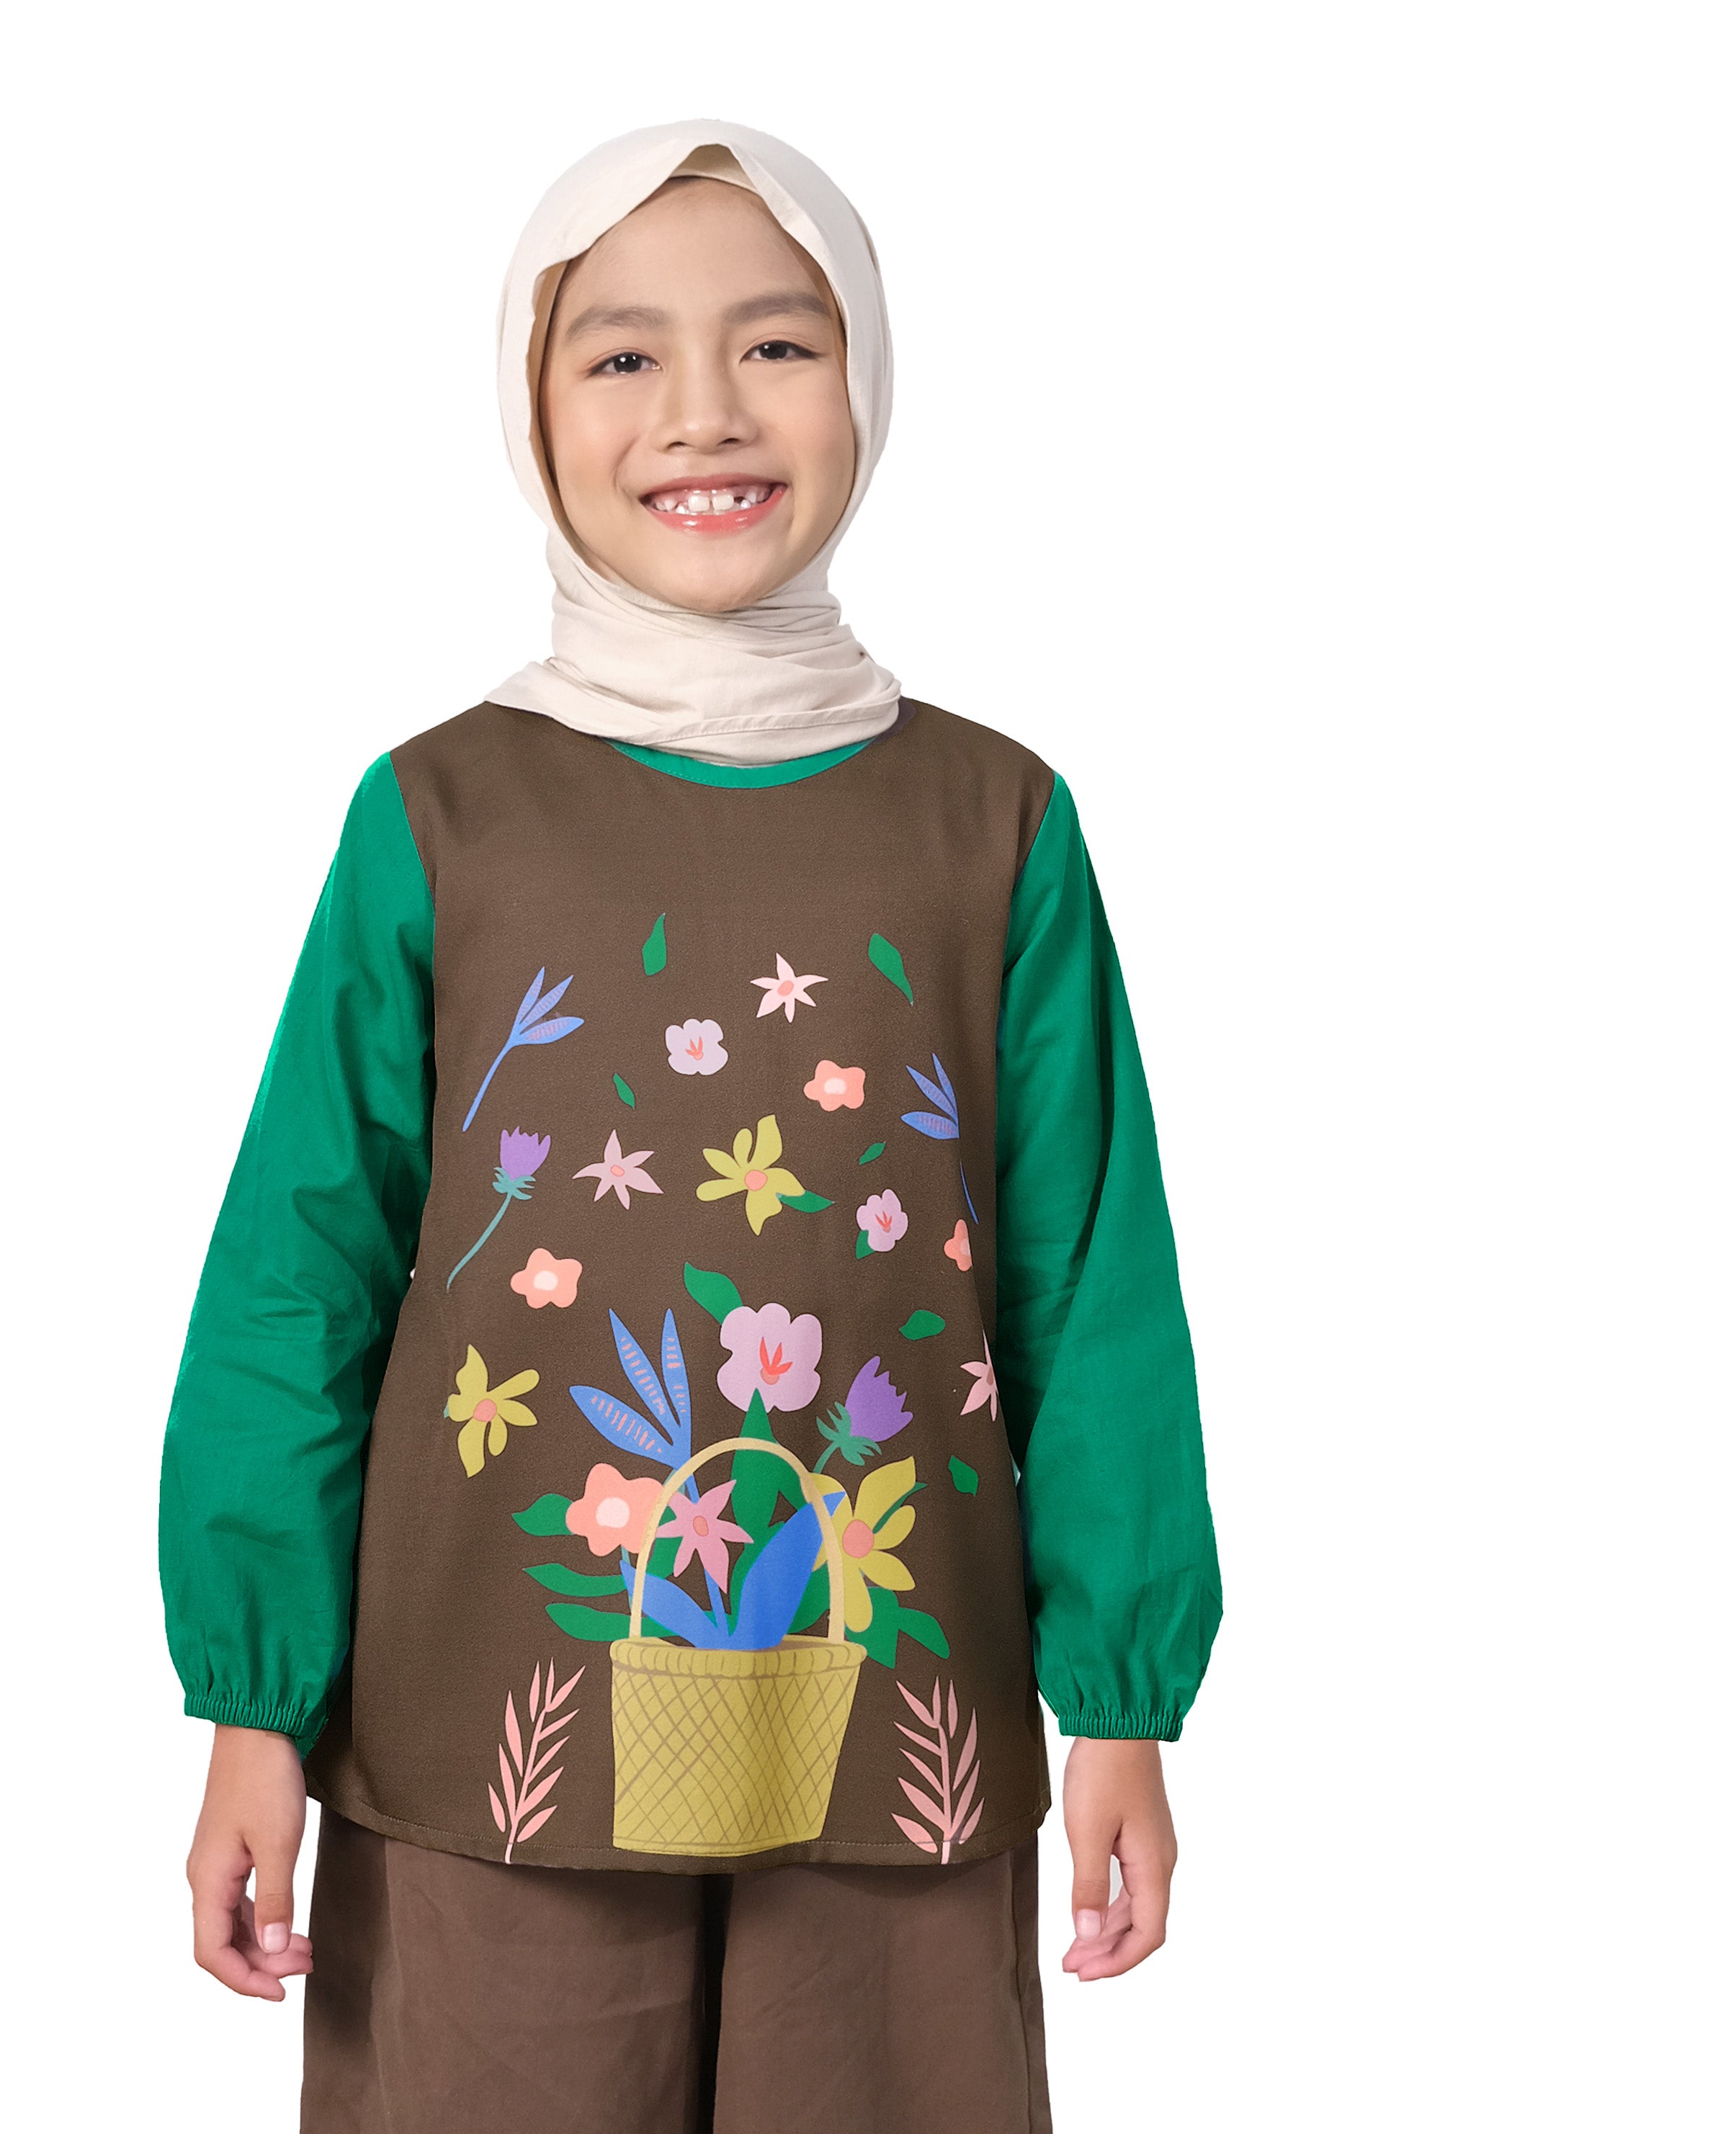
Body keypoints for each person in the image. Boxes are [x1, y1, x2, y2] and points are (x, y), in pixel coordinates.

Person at [160, 119, 1222, 2133]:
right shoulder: (437, 816)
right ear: (531, 402)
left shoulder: (996, 823)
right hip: (487, 1743)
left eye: (779, 344)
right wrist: (252, 1704)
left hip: (901, 1739)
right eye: (625, 353)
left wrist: (1124, 1701)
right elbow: (299, 1274)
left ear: (868, 379)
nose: (705, 412)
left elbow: (1092, 1283)